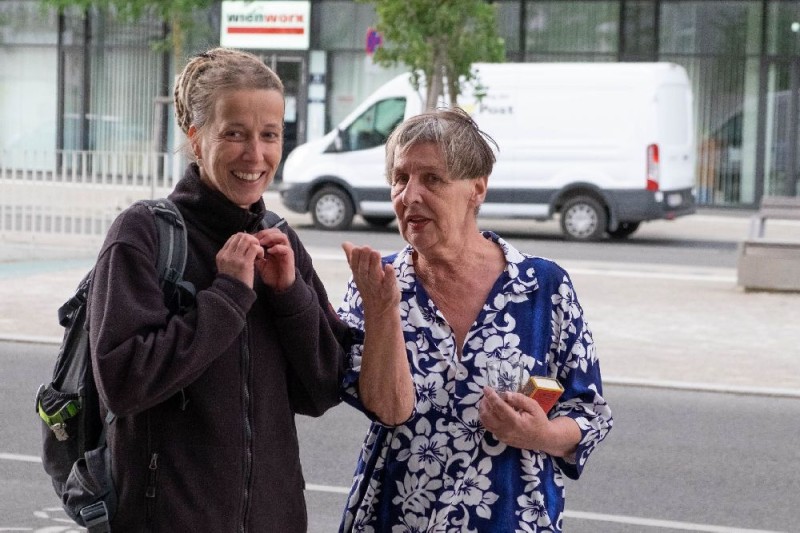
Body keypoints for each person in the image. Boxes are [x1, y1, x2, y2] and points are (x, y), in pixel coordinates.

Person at [87, 47, 349, 531]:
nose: (255, 155)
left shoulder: (280, 240)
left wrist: (291, 296)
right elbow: (122, 385)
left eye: (270, 135)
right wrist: (227, 296)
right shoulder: (143, 234)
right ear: (196, 138)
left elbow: (322, 391)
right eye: (234, 133)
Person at [338, 107, 613, 532]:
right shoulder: (375, 284)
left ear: (477, 188)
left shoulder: (542, 287)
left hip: (512, 518)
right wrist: (383, 310)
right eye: (400, 178)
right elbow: (387, 409)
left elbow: (588, 411)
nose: (410, 196)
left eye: (432, 179)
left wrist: (539, 435)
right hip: (398, 519)